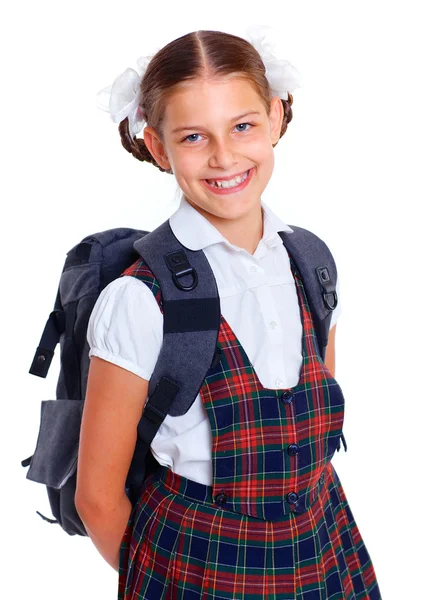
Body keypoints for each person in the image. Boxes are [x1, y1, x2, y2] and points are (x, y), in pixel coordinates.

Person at [75, 26, 382, 600]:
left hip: (324, 548)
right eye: (194, 137)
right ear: (159, 147)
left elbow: (307, 431)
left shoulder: (310, 264)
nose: (224, 156)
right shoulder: (139, 300)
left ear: (274, 117)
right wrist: (166, 582)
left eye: (242, 126)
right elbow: (96, 497)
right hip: (200, 567)